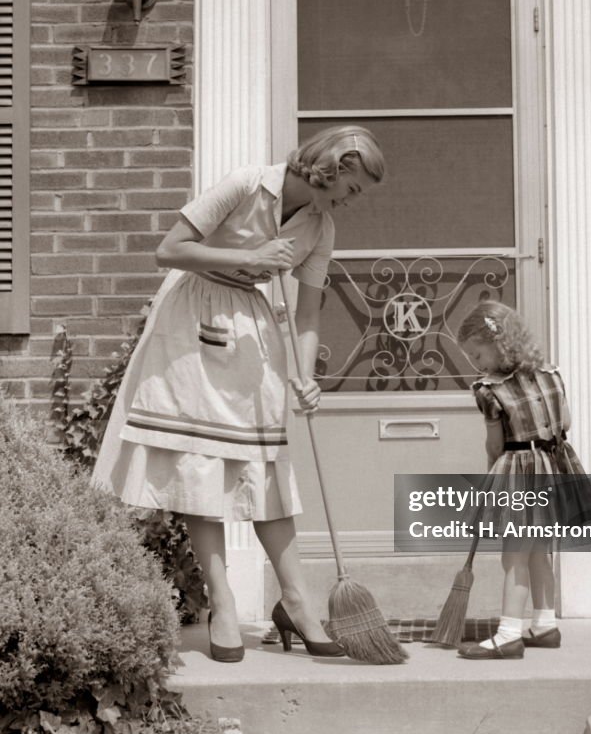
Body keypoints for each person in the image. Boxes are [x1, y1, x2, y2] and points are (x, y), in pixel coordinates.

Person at [91, 125, 386, 661]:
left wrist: (307, 375)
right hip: (192, 323)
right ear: (334, 166)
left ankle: (296, 601)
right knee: (202, 463)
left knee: (264, 464)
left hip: (252, 330)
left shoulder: (322, 228)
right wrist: (249, 258)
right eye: (355, 186)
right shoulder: (246, 184)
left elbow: (309, 312)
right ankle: (222, 604)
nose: (354, 198)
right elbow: (169, 250)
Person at [454, 300, 591, 660]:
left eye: (477, 354)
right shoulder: (551, 374)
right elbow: (565, 423)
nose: (476, 364)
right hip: (553, 469)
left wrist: (492, 470)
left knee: (514, 556)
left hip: (519, 472)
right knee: (539, 553)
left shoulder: (491, 390)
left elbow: (495, 444)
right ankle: (545, 624)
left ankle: (508, 634)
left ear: (498, 343)